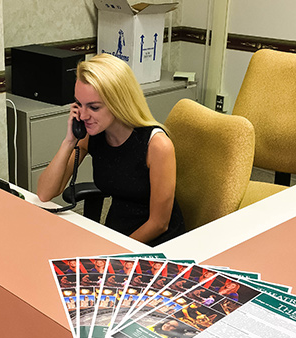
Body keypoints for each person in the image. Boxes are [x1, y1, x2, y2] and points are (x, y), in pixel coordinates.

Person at [37, 53, 185, 246]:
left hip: (157, 243)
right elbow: (45, 193)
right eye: (79, 105)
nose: (82, 115)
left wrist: (115, 251)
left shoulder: (157, 145)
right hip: (116, 233)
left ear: (119, 103)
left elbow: (159, 224)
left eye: (94, 107)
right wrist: (69, 141)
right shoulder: (92, 135)